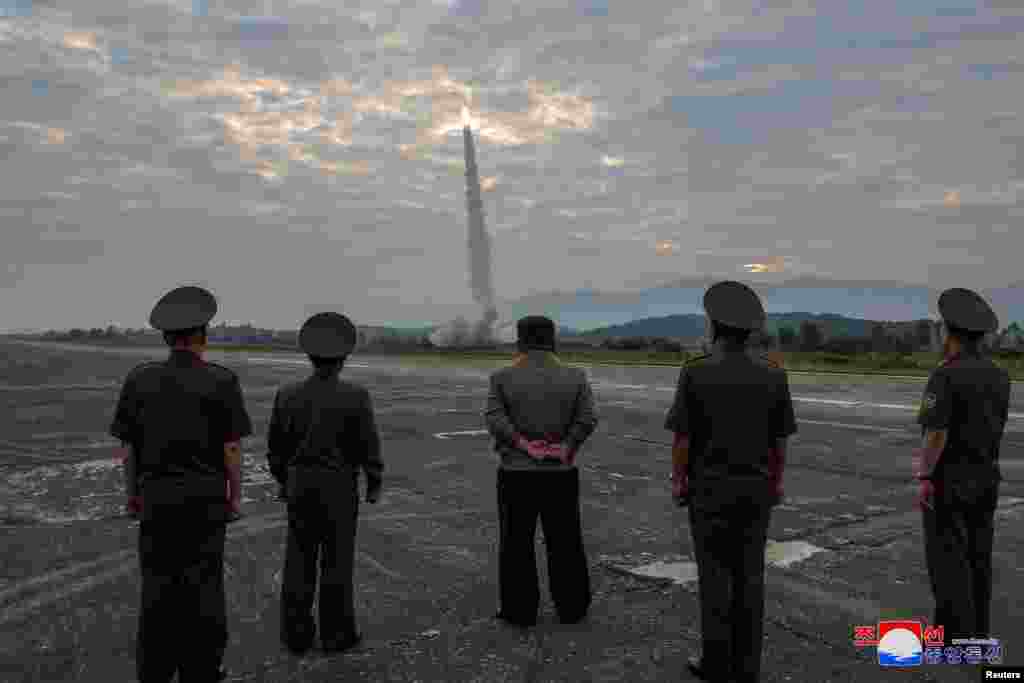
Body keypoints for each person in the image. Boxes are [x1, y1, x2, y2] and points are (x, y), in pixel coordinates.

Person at [110, 285, 252, 683]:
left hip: (157, 500)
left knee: (157, 588)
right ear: (203, 335)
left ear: (165, 337)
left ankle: (154, 670)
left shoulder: (139, 379)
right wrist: (234, 498)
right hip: (206, 502)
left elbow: (128, 450)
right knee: (205, 588)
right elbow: (231, 450)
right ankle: (203, 669)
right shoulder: (222, 381)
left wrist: (132, 496)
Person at [664, 281, 796, 683]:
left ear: (714, 326)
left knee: (715, 578)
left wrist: (679, 481)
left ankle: (716, 662)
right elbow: (779, 443)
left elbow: (683, 439)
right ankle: (746, 665)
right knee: (750, 577)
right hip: (756, 492)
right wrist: (774, 484)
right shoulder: (774, 375)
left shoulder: (696, 372)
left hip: (710, 491)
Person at [266, 312, 383, 655]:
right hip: (338, 488)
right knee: (337, 563)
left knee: (298, 561)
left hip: (300, 487)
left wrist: (286, 480)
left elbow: (276, 450)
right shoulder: (356, 395)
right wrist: (373, 482)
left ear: (309, 355)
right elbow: (368, 447)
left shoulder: (286, 394)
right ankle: (337, 634)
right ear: (344, 357)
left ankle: (296, 634)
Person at [483, 315, 599, 627]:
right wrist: (566, 446)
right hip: (560, 472)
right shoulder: (575, 376)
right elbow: (588, 418)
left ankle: (519, 610)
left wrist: (523, 444)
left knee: (516, 542)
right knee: (566, 540)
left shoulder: (501, 377)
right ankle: (572, 607)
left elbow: (495, 419)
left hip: (516, 472)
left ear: (520, 341)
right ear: (552, 340)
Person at [915, 288, 1010, 643]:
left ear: (949, 331)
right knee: (978, 556)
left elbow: (936, 433)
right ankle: (977, 630)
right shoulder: (999, 375)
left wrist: (925, 475)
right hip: (986, 477)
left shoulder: (946, 374)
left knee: (947, 559)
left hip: (950, 480)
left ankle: (954, 637)